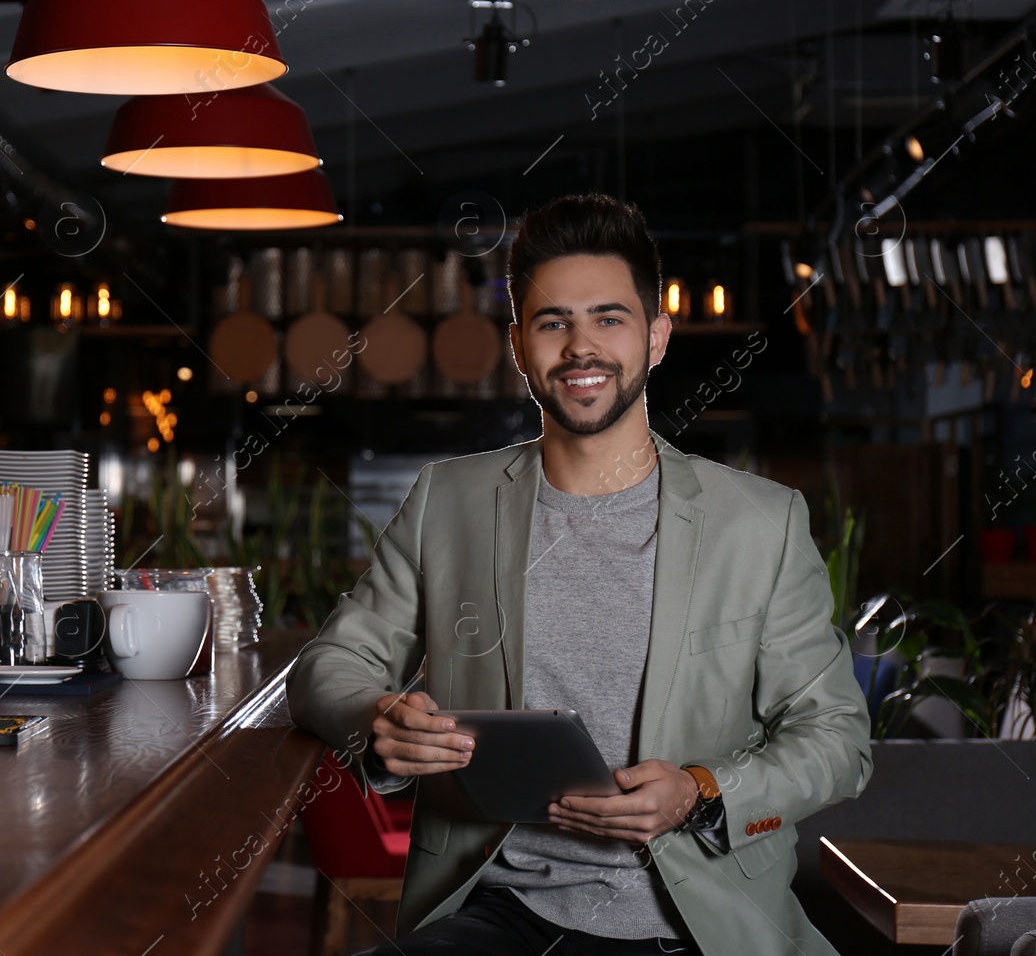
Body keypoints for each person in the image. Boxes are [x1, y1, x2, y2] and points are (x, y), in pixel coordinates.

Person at [287, 193, 872, 955]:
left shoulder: (760, 522)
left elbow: (838, 740)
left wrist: (700, 790)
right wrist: (378, 718)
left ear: (657, 338)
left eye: (609, 318)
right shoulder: (448, 501)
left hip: (697, 928)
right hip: (500, 911)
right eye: (553, 322)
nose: (580, 347)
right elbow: (327, 667)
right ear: (520, 346)